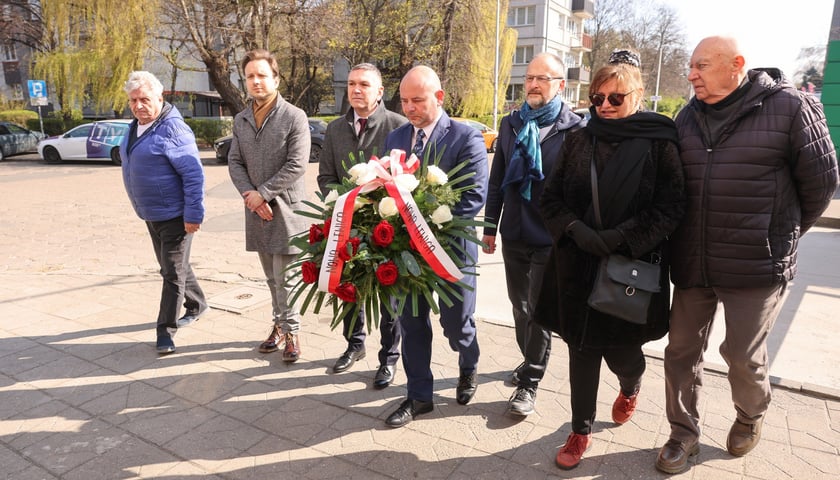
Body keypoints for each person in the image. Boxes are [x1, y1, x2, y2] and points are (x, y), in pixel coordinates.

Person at [656, 36, 839, 474]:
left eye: (701, 65)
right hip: (695, 260)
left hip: (756, 264)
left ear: (736, 64)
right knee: (680, 352)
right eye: (691, 66)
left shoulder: (790, 108)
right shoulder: (687, 116)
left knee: (741, 356)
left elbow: (822, 185)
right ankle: (683, 433)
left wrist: (780, 233)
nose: (691, 74)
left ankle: (750, 414)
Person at [537, 49, 686, 470]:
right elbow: (551, 198)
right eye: (597, 98)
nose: (604, 105)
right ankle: (579, 430)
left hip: (629, 269)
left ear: (637, 96)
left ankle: (631, 384)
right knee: (581, 349)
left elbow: (671, 206)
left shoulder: (660, 142)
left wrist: (622, 237)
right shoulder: (578, 139)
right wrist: (575, 230)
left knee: (623, 354)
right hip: (577, 265)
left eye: (615, 98)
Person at [381, 65, 488, 428]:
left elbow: (472, 197)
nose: (409, 108)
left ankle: (468, 363)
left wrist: (423, 222)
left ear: (439, 97)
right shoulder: (395, 138)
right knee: (411, 324)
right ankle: (419, 396)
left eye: (418, 100)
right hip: (407, 255)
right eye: (404, 101)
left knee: (457, 325)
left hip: (451, 253)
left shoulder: (465, 137)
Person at [482, 52, 583, 417]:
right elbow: (498, 179)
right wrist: (490, 226)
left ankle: (530, 382)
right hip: (514, 231)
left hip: (550, 237)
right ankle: (530, 359)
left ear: (561, 85)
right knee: (519, 306)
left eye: (543, 78)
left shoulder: (575, 129)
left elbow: (578, 190)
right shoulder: (511, 124)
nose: (534, 84)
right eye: (529, 78)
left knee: (539, 310)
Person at [317, 63, 408, 387]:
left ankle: (389, 358)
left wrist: (376, 208)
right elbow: (325, 176)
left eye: (364, 84)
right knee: (348, 290)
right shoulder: (335, 129)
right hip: (347, 225)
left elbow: (405, 178)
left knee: (389, 297)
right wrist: (344, 203)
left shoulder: (398, 126)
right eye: (352, 83)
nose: (356, 89)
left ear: (380, 91)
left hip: (386, 227)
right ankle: (354, 345)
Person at [228, 49, 310, 363]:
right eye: (250, 76)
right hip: (257, 212)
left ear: (275, 78)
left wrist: (263, 194)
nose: (256, 81)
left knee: (287, 278)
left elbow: (297, 164)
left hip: (286, 211)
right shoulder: (241, 119)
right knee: (271, 279)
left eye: (262, 75)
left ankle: (292, 333)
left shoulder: (294, 116)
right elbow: (235, 162)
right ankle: (278, 326)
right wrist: (250, 195)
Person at [120, 70, 208, 355]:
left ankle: (165, 331)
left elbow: (193, 176)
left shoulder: (173, 129)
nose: (138, 106)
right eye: (133, 100)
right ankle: (197, 304)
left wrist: (193, 215)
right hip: (151, 214)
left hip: (175, 216)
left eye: (144, 99)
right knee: (174, 267)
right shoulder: (134, 127)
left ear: (160, 98)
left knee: (171, 273)